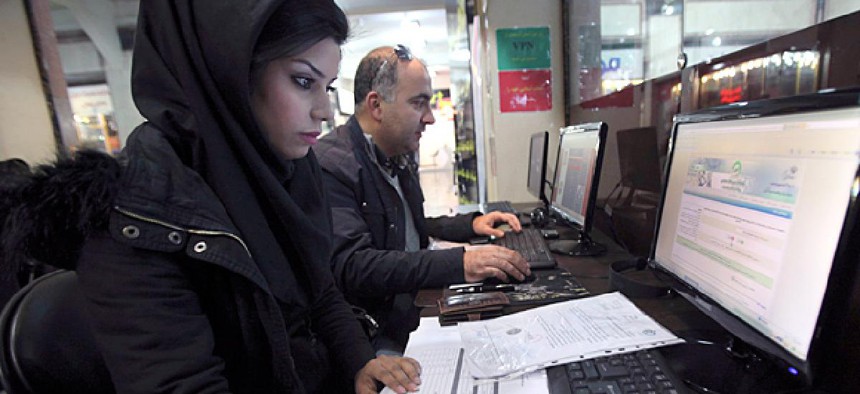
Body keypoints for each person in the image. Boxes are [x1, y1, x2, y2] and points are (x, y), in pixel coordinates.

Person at [0, 1, 421, 393]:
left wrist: (358, 362)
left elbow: (319, 288)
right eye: (303, 81)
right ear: (229, 74)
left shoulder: (286, 170)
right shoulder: (133, 214)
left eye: (326, 87)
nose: (324, 111)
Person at [315, 45, 531, 354]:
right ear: (376, 105)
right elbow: (354, 265)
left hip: (410, 303)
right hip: (377, 333)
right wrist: (460, 262)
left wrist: (470, 225)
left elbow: (408, 228)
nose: (430, 118)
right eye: (419, 104)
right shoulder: (331, 165)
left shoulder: (398, 155)